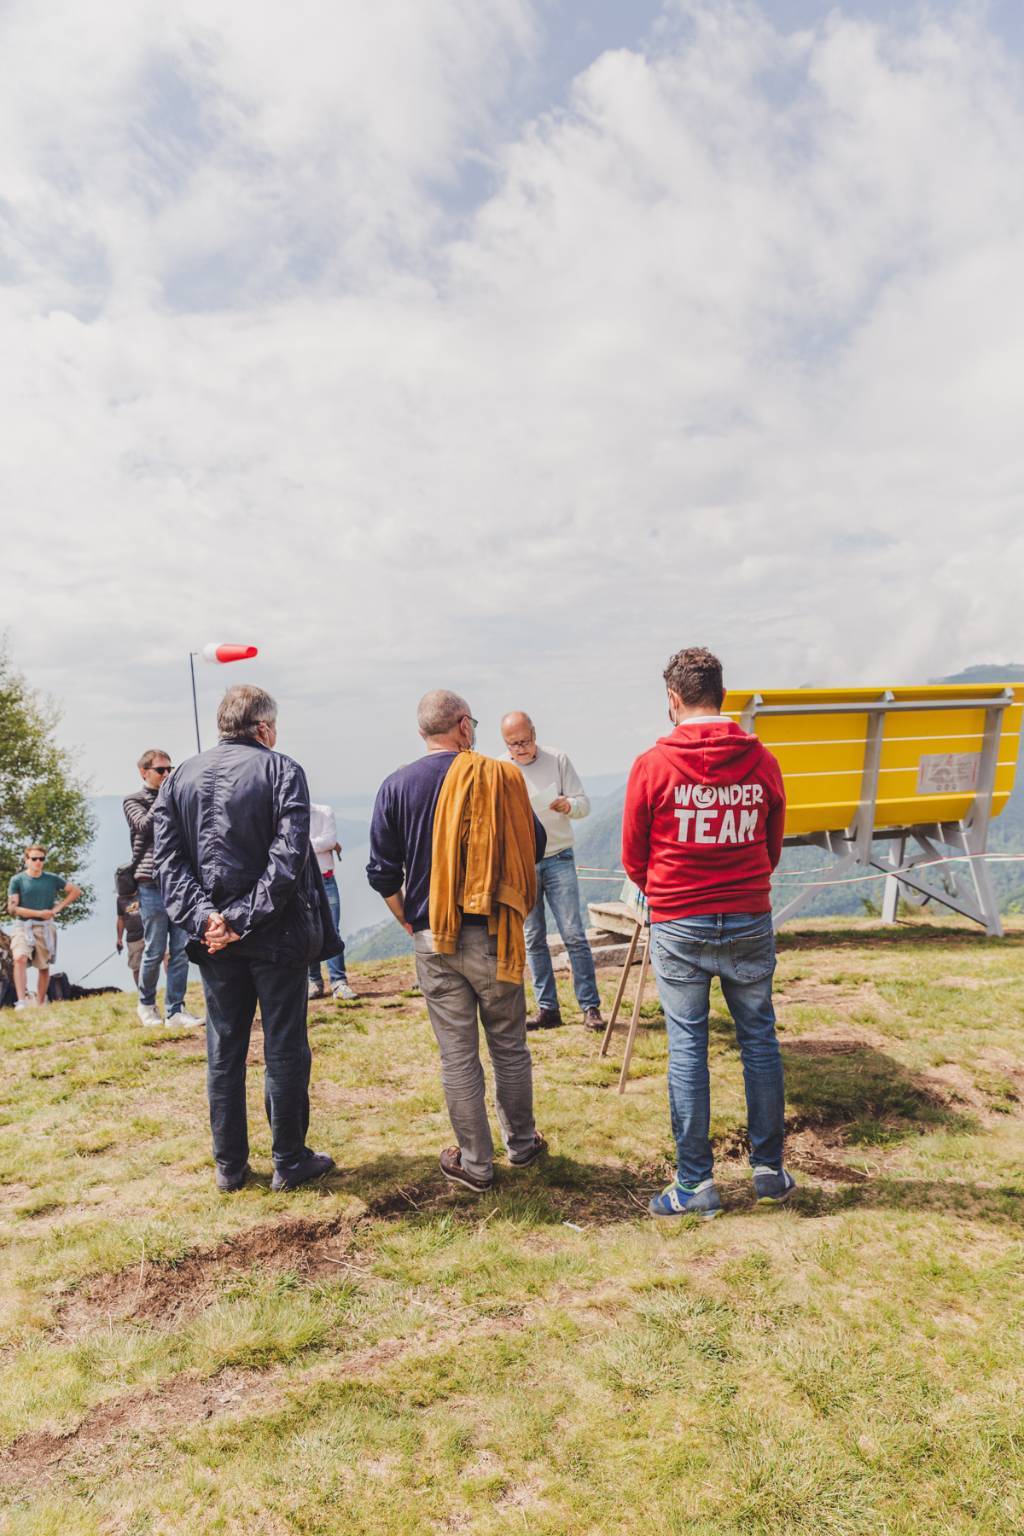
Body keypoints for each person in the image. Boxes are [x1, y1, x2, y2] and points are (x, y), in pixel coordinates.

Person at [621, 646, 794, 1219]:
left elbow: (633, 857)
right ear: (722, 695)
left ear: (674, 700)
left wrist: (672, 891)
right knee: (759, 1042)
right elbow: (770, 850)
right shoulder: (762, 761)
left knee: (688, 1048)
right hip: (748, 915)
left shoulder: (653, 765)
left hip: (679, 922)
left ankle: (695, 1184)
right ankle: (769, 1171)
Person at [153, 684, 339, 1194]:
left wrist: (207, 919)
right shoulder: (282, 770)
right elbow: (289, 856)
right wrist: (236, 917)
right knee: (284, 1046)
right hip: (274, 934)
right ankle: (289, 1159)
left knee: (225, 1048)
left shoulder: (179, 778)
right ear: (263, 727)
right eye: (274, 725)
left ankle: (229, 1166)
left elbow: (168, 864)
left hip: (216, 942)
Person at [367, 690, 548, 1193]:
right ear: (464, 727)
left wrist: (410, 921)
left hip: (433, 936)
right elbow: (536, 842)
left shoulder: (397, 784)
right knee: (509, 1046)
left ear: (423, 731)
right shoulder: (500, 778)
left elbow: (381, 871)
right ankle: (522, 1143)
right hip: (494, 932)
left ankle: (475, 1164)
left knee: (457, 1055)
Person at [501, 711, 604, 1032]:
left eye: (525, 741)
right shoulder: (501, 768)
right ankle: (548, 1009)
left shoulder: (558, 759)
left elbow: (584, 804)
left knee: (573, 934)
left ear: (534, 734)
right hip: (523, 862)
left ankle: (590, 1007)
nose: (520, 749)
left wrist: (566, 805)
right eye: (513, 744)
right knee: (533, 938)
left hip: (558, 856)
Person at [124, 750, 202, 1028]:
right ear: (144, 772)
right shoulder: (133, 801)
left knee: (180, 948)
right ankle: (146, 1004)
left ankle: (176, 1009)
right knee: (155, 947)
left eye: (170, 769)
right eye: (161, 770)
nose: (166, 774)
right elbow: (144, 826)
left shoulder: (175, 798)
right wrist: (167, 797)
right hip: (150, 882)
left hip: (179, 880)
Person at [6, 846, 81, 1008]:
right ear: (26, 860)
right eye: (34, 859)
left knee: (43, 967)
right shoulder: (17, 880)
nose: (38, 862)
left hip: (45, 928)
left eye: (41, 859)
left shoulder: (52, 879)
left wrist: (57, 909)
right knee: (19, 958)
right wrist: (39, 913)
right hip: (23, 927)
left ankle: (40, 1003)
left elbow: (75, 891)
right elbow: (12, 908)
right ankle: (21, 1002)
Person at [307, 803, 357, 1002]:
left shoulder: (323, 812)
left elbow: (329, 840)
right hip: (304, 882)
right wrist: (322, 844)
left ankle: (338, 981)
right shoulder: (286, 813)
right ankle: (314, 981)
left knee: (332, 930)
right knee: (308, 931)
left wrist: (302, 843)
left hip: (325, 878)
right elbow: (326, 843)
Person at [115, 866, 145, 988]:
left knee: (165, 955)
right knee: (136, 966)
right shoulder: (120, 900)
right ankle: (141, 991)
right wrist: (119, 939)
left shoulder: (144, 891)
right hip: (133, 937)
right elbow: (120, 919)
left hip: (149, 931)